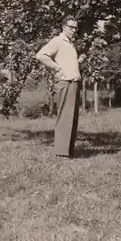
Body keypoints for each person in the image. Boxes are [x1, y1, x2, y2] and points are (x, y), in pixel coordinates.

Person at [35, 16, 82, 158]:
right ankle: (62, 154)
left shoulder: (69, 44)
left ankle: (68, 152)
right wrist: (57, 69)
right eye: (71, 27)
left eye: (75, 28)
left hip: (73, 83)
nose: (74, 30)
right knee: (64, 117)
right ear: (64, 27)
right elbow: (41, 55)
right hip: (65, 83)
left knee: (72, 118)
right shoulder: (58, 41)